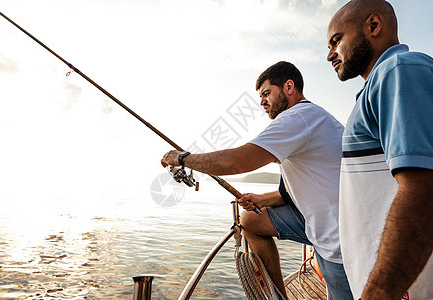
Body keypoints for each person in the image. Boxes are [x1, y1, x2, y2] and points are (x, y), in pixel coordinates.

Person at [161, 61, 353, 299]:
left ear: (289, 87)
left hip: (339, 240)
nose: (262, 101)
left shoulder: (297, 118)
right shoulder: (312, 118)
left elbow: (236, 162)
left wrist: (182, 158)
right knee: (251, 220)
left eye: (266, 93)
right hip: (329, 222)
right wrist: (263, 199)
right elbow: (308, 187)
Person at [327, 0, 433, 299]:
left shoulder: (400, 70)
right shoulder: (381, 83)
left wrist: (380, 292)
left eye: (336, 40)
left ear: (373, 26)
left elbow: (423, 189)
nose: (329, 54)